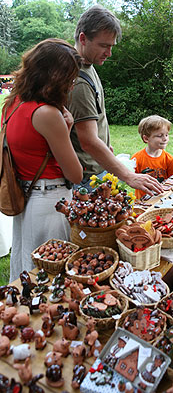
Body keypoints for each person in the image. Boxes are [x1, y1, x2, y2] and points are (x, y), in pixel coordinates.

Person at [2, 39, 83, 282]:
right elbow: (75, 174)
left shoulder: (13, 104)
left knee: (26, 268)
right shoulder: (47, 114)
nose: (71, 85)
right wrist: (66, 129)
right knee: (49, 275)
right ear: (55, 77)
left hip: (24, 195)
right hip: (50, 201)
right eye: (69, 78)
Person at [68, 5, 163, 196]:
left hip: (97, 172)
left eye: (111, 46)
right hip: (87, 181)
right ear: (83, 38)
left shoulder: (88, 66)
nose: (109, 53)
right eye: (104, 45)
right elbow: (87, 141)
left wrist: (106, 147)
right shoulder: (78, 82)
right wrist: (129, 176)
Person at [131, 115, 173, 199]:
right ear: (146, 139)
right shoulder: (137, 159)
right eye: (160, 136)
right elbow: (131, 180)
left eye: (166, 135)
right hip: (143, 203)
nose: (165, 139)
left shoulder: (169, 159)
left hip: (163, 199)